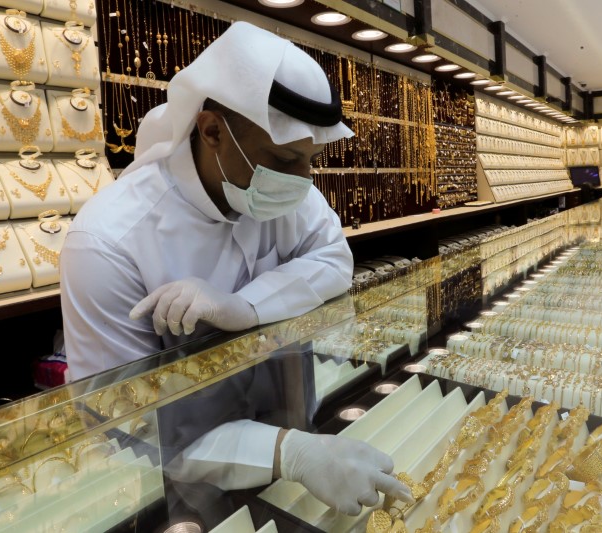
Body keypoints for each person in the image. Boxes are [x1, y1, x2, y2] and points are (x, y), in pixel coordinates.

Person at [60, 21, 412, 518]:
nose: (304, 182)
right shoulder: (106, 243)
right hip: (182, 495)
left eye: (310, 160)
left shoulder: (285, 191)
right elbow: (126, 423)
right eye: (286, 159)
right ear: (212, 131)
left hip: (301, 465)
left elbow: (335, 259)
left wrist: (246, 307)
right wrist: (288, 453)